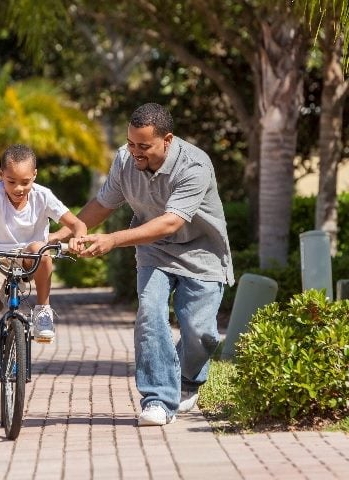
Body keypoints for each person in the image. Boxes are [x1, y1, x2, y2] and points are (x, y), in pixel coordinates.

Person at [61, 103, 234, 426]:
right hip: (154, 251)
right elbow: (103, 204)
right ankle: (157, 399)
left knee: (202, 332)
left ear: (167, 140)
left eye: (144, 146)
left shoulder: (194, 164)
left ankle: (187, 379)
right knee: (150, 312)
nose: (134, 152)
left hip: (202, 252)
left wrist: (113, 240)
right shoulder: (125, 161)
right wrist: (63, 233)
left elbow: (170, 222)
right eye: (130, 143)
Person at [0, 144, 87, 411]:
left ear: (34, 175)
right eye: (11, 181)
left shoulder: (43, 196)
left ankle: (43, 309)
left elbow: (76, 224)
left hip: (28, 256)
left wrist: (79, 235)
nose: (18, 188)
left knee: (41, 248)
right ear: (1, 174)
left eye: (25, 181)